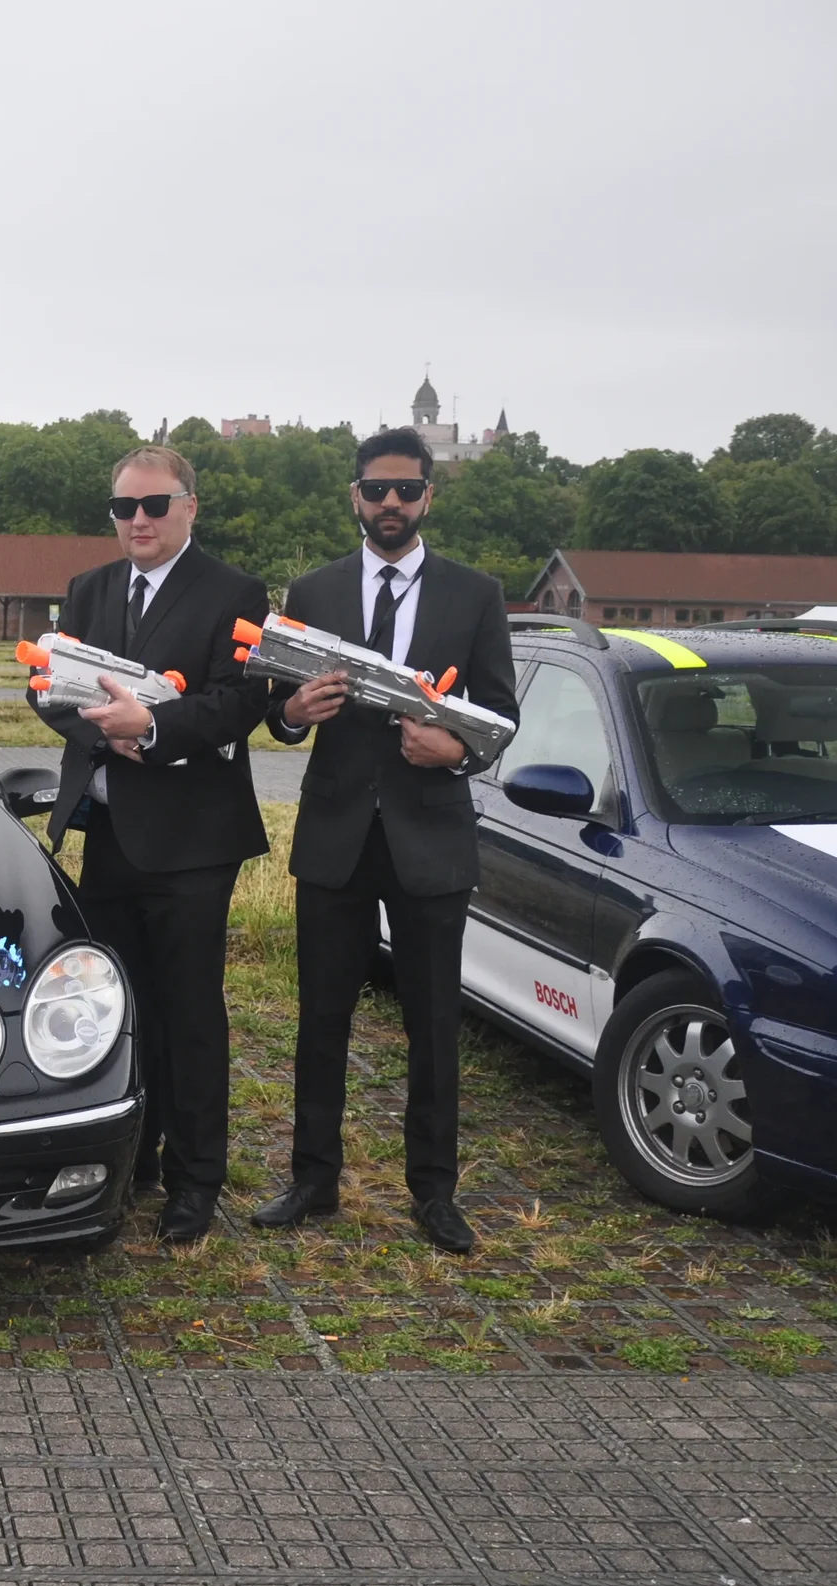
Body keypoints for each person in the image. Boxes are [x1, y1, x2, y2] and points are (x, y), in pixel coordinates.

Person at [251, 426, 519, 1254]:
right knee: (320, 1016)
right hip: (336, 831)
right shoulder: (314, 590)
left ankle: (434, 1194)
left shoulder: (475, 594)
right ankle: (312, 1179)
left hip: (430, 836)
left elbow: (501, 718)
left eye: (407, 490)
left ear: (429, 495)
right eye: (377, 490)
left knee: (434, 1023)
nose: (391, 504)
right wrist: (291, 713)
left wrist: (457, 751)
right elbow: (276, 706)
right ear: (355, 497)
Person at [30, 445, 270, 1244]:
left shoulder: (233, 592)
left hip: (194, 842)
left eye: (155, 506)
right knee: (115, 1009)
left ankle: (197, 1183)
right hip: (105, 835)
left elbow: (241, 703)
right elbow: (58, 695)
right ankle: (135, 1159)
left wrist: (156, 728)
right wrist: (73, 709)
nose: (138, 521)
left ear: (190, 507)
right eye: (123, 508)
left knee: (189, 1013)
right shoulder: (89, 589)